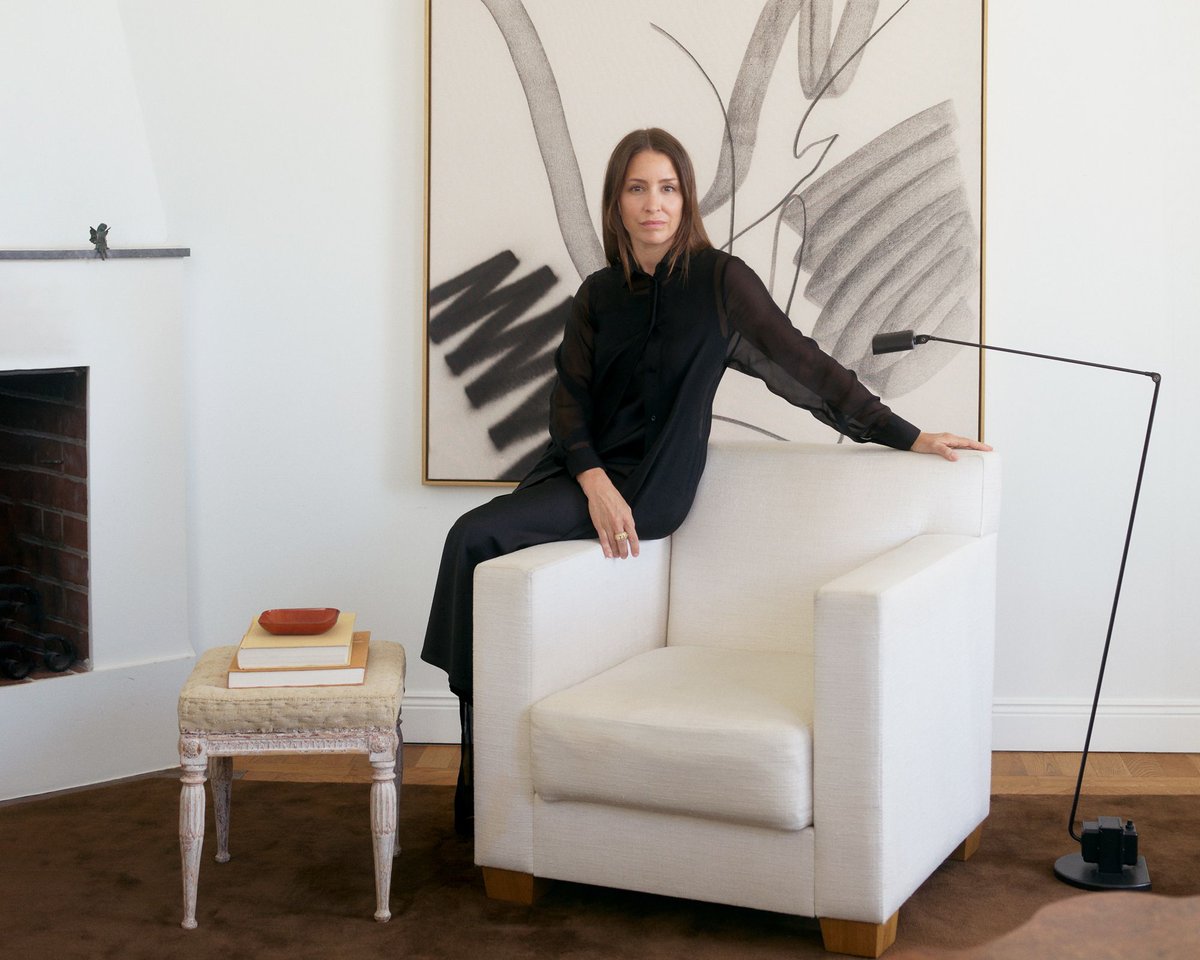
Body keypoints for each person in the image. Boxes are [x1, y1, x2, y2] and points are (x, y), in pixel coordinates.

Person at [422, 127, 990, 836]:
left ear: (686, 197)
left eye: (667, 188)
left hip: (652, 487)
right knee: (474, 539)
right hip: (584, 474)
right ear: (616, 202)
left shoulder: (721, 281)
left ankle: (477, 762)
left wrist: (907, 434)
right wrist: (593, 481)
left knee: (474, 533)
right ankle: (483, 749)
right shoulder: (598, 294)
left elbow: (806, 366)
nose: (653, 203)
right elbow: (567, 402)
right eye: (637, 188)